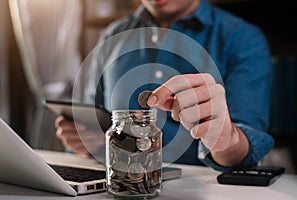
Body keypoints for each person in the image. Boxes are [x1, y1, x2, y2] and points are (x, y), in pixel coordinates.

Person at [55, 0, 274, 172]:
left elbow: (246, 151)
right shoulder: (112, 36)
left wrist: (226, 137)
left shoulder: (243, 39)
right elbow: (90, 120)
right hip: (120, 183)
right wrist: (84, 141)